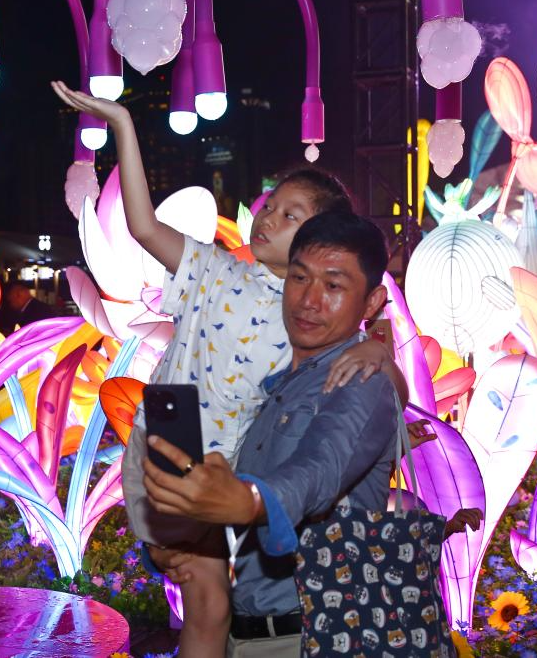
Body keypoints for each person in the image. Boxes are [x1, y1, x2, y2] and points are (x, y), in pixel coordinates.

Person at [52, 82, 405, 658]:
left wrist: (379, 351)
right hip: (172, 433)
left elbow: (375, 396)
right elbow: (144, 226)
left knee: (212, 609)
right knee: (207, 601)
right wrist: (123, 126)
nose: (268, 218)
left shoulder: (307, 315)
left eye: (290, 215)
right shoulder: (215, 269)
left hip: (228, 466)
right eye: (270, 206)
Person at [142, 213, 480, 656]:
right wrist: (177, 544)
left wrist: (250, 501)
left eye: (334, 285)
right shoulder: (272, 380)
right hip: (246, 636)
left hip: (317, 638)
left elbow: (319, 470)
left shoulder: (363, 382)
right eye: (300, 278)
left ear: (372, 302)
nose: (309, 300)